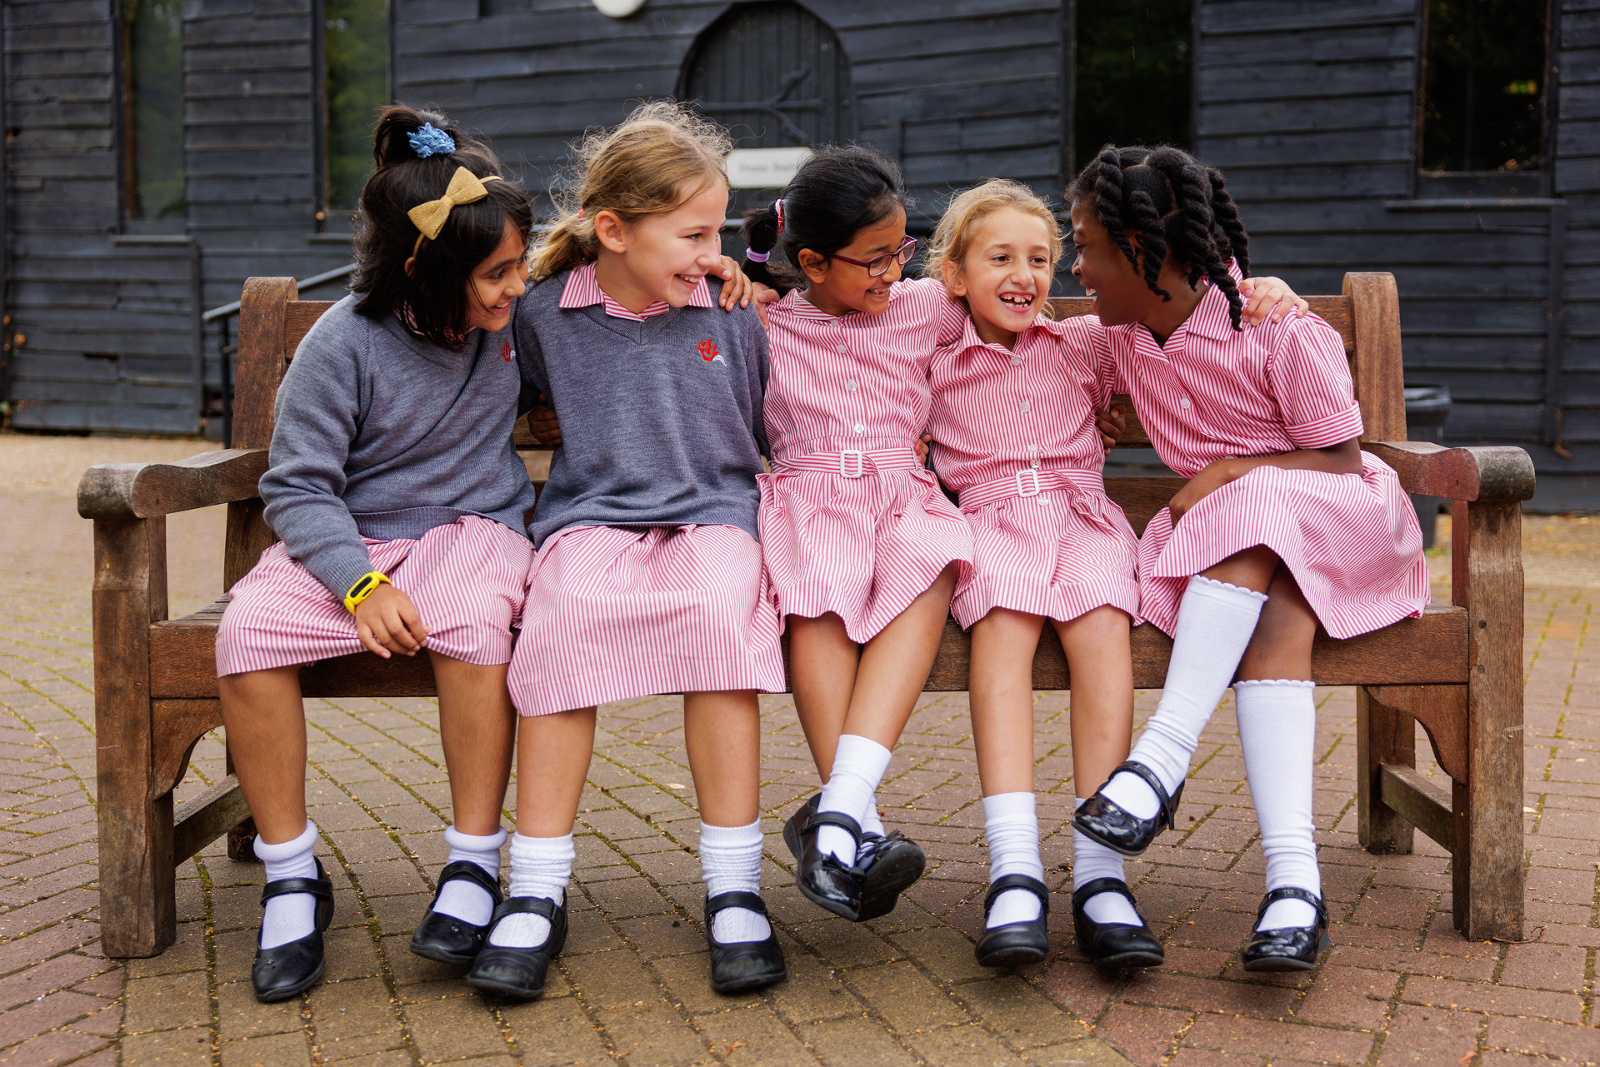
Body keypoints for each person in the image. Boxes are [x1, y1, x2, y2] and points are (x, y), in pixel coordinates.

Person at [925, 179, 1309, 968]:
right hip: (992, 521)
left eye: (1041, 257)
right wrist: (752, 268)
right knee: (1002, 628)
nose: (1025, 275)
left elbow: (1188, 323)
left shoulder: (1091, 341)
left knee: (1103, 629)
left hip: (1086, 517)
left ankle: (1101, 875)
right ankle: (1015, 868)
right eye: (1000, 257)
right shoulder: (929, 349)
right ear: (954, 274)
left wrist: (1265, 286)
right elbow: (848, 309)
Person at [1067, 146, 1428, 971]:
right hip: (1250, 566)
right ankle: (1295, 890)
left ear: (1139, 249)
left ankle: (1160, 760)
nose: (1075, 266)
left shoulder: (1275, 326)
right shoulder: (1120, 337)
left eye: (1086, 246)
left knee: (1255, 507)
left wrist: (1233, 470)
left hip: (1342, 521)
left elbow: (1341, 459)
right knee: (1274, 631)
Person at [216, 106, 538, 1002]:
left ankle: (474, 866)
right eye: (497, 273)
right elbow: (295, 485)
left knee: (475, 626)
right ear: (425, 275)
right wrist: (357, 584)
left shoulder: (515, 325)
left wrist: (736, 269)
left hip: (475, 530)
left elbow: (609, 290)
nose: (518, 286)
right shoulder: (344, 344)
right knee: (246, 636)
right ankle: (291, 876)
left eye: (521, 265)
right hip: (355, 541)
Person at [482, 102, 786, 999]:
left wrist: (736, 274)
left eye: (718, 230)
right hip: (591, 518)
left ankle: (734, 884)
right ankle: (535, 889)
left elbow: (782, 417)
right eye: (691, 231)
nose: (709, 248)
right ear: (611, 229)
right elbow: (490, 396)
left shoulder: (731, 309)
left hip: (715, 515)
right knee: (561, 615)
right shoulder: (543, 315)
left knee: (720, 612)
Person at [739, 147, 974, 923]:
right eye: (873, 259)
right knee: (820, 597)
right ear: (810, 260)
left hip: (904, 493)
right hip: (810, 497)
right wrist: (725, 268)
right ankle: (853, 824)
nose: (892, 272)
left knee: (932, 557)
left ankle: (837, 811)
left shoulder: (925, 305)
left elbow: (1024, 310)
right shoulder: (765, 323)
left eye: (902, 251)